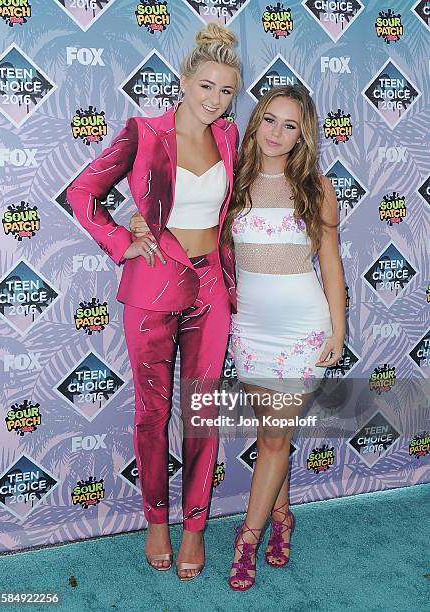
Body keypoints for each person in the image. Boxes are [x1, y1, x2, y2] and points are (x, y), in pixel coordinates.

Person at [66, 23, 241, 581]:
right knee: (152, 413)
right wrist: (125, 239)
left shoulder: (233, 138)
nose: (214, 100)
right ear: (184, 81)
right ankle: (156, 520)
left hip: (211, 285)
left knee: (201, 409)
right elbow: (82, 192)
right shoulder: (143, 132)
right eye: (206, 86)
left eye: (226, 91)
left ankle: (194, 526)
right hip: (154, 285)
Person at [222, 85, 346, 591]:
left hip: (301, 330)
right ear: (255, 123)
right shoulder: (233, 181)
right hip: (250, 329)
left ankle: (247, 540)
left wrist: (338, 329)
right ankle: (283, 518)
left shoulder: (317, 187)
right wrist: (144, 221)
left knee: (274, 438)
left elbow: (332, 264)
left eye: (289, 125)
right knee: (272, 438)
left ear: (303, 134)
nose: (276, 133)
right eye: (269, 120)